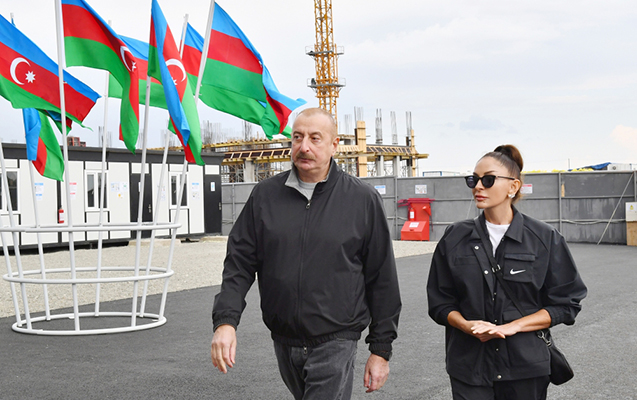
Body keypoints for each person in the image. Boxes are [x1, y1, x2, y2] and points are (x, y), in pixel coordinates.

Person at [211, 107, 402, 399]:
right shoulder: (265, 196)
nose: (304, 146)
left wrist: (381, 349)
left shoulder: (362, 200)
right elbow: (239, 263)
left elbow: (382, 278)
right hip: (284, 338)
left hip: (336, 338)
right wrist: (226, 321)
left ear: (334, 145)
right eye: (297, 137)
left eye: (315, 138)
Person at [426, 145, 587, 400]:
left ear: (513, 186)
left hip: (525, 369)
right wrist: (466, 326)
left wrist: (514, 327)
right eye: (473, 180)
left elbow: (567, 304)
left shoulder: (545, 238)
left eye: (488, 180)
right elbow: (440, 302)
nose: (478, 186)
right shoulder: (454, 237)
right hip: (469, 369)